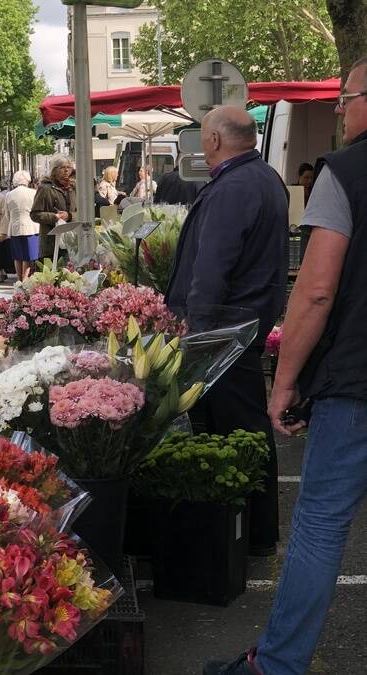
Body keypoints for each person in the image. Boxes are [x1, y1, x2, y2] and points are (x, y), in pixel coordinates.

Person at [203, 57, 367, 675]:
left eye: (347, 97)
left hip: (355, 381)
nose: (341, 108)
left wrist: (286, 380)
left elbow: (316, 291)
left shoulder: (345, 172)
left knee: (321, 526)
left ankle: (276, 666)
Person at [165, 106, 289, 557]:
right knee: (243, 426)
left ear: (214, 139)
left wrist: (195, 330)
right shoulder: (264, 178)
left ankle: (251, 533)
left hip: (223, 331)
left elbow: (211, 265)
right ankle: (253, 531)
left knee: (236, 427)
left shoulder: (233, 187)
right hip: (243, 323)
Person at [30, 155, 76, 259]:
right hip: (51, 243)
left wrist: (69, 215)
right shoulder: (45, 188)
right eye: (62, 167)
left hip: (72, 241)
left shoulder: (74, 188)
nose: (66, 170)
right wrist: (54, 217)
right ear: (54, 170)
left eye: (68, 167)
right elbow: (35, 214)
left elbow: (80, 212)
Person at [5, 170, 38, 281]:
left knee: (17, 256)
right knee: (28, 256)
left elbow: (7, 214)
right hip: (31, 227)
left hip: (14, 227)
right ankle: (25, 279)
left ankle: (19, 280)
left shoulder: (9, 195)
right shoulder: (33, 193)